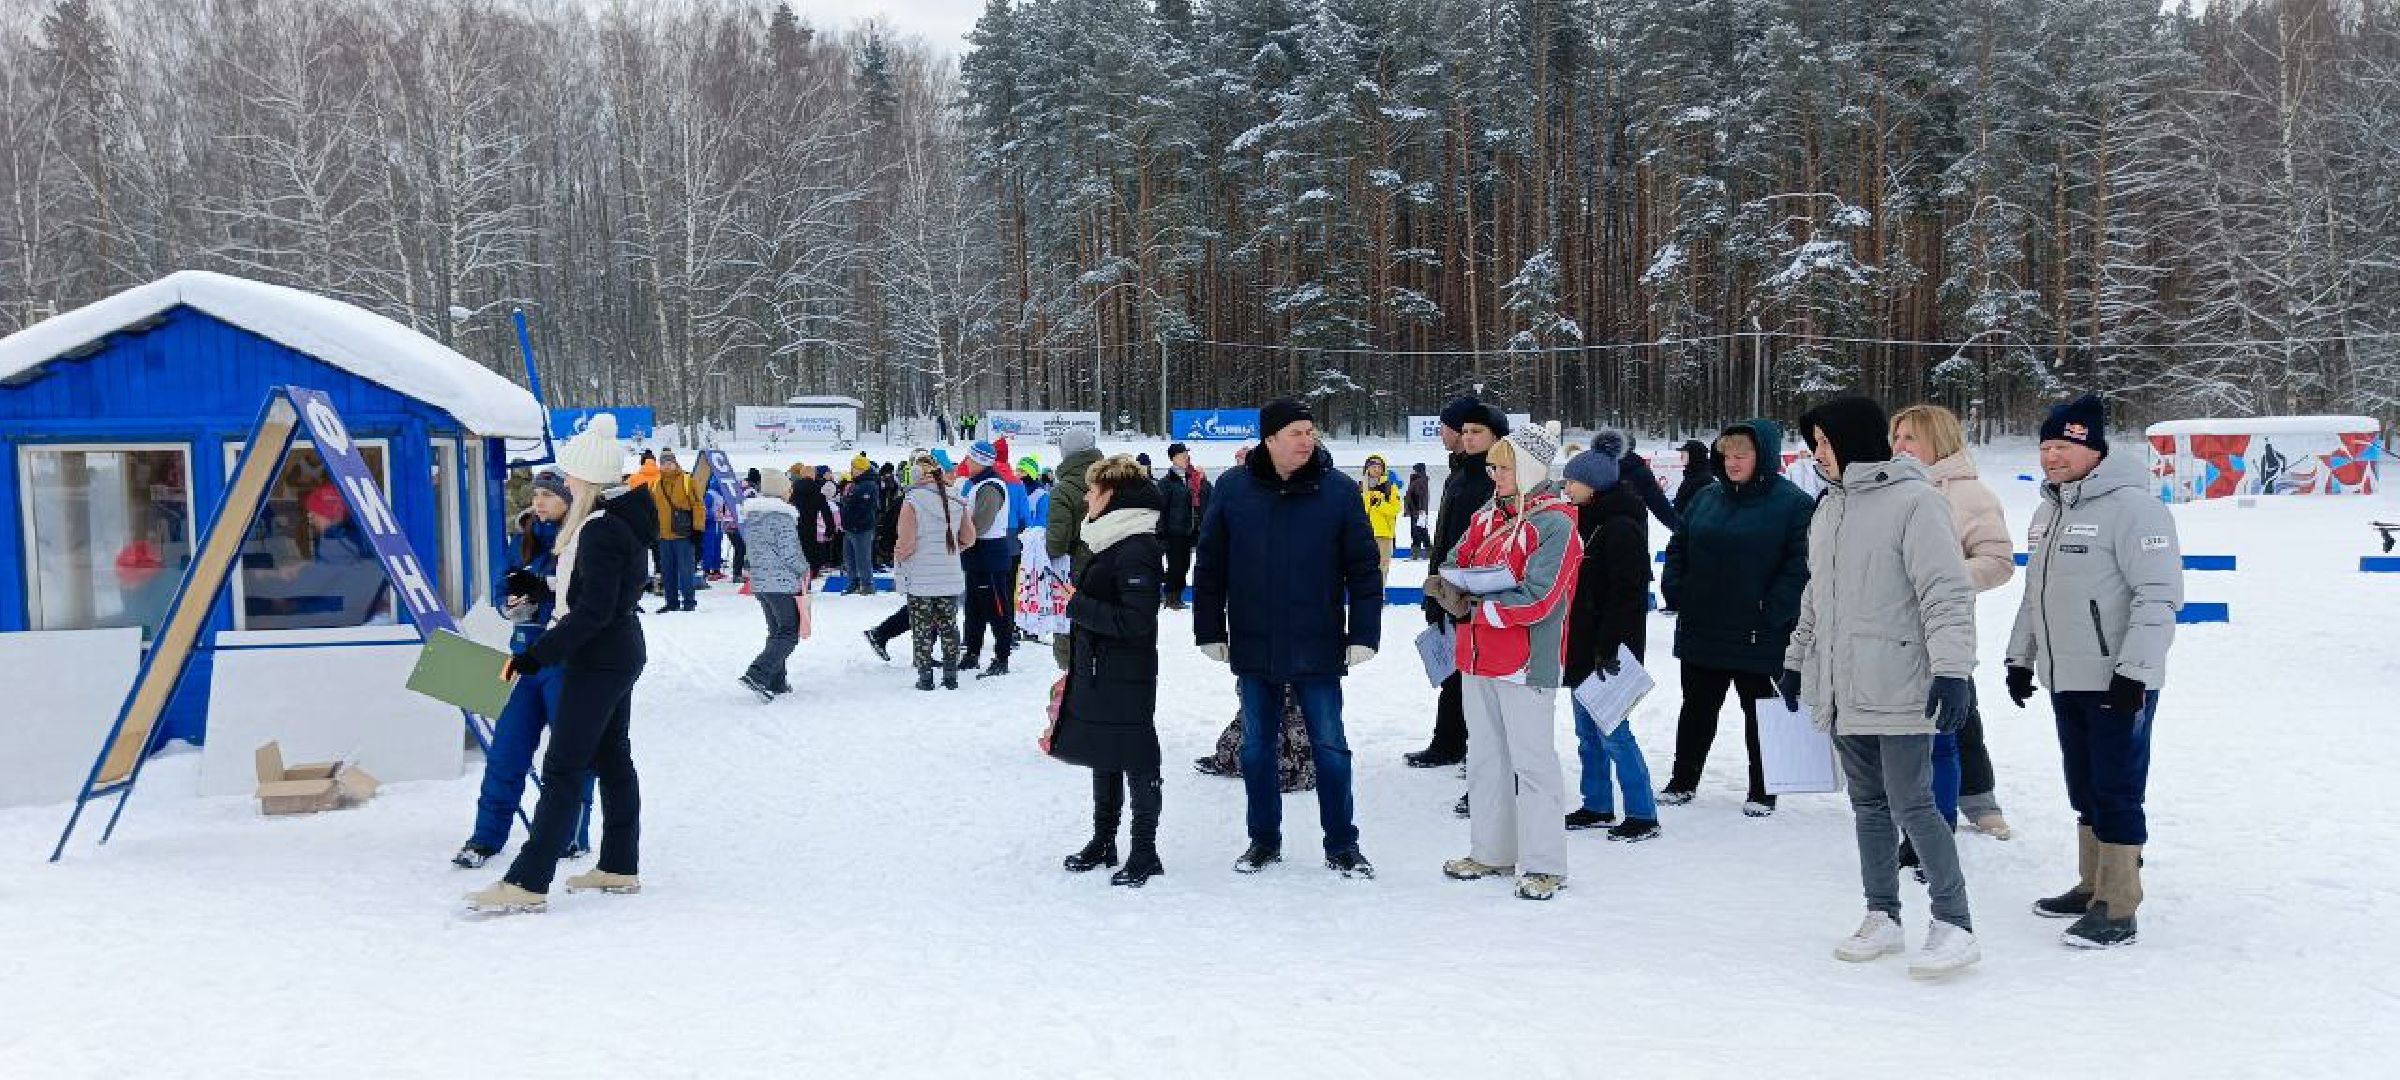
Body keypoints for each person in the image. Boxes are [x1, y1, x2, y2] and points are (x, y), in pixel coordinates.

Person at [1781, 395, 1980, 978]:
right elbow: (1816, 597)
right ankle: (1882, 913)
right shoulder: (1829, 509)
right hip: (1844, 684)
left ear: (1851, 441)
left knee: (1914, 804)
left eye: (1823, 443)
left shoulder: (1915, 503)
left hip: (1899, 679)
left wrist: (1953, 670)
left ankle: (1954, 920)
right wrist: (1796, 658)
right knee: (1867, 805)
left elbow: (1947, 593)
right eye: (1813, 443)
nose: (1817, 454)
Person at [2007, 393, 2182, 950]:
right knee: (2084, 786)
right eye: (2046, 447)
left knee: (2117, 787)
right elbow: (2034, 594)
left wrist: (2135, 671)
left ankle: (2120, 904)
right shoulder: (2049, 510)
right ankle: (2092, 885)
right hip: (2066, 676)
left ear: (2095, 450)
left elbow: (2159, 595)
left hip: (2117, 679)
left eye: (2064, 447)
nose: (2052, 457)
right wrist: (2020, 658)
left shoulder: (2135, 509)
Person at [468, 415, 654, 915]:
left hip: (597, 659)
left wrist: (535, 656)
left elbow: (592, 612)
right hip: (617, 652)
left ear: (588, 480)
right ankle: (618, 864)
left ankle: (528, 881)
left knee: (564, 767)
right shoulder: (616, 522)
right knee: (612, 759)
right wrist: (544, 587)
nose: (564, 484)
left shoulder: (597, 531)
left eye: (570, 477)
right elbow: (600, 594)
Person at [1193, 398, 1383, 878]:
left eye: (1311, 431)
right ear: (1270, 439)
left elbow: (1363, 569)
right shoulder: (1234, 489)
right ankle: (1263, 841)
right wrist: (1210, 628)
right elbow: (1211, 564)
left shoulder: (1338, 491)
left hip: (1317, 642)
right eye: (1297, 432)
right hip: (1255, 641)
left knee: (1331, 745)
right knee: (1257, 746)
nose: (1307, 440)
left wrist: (1363, 633)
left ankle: (1343, 844)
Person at [1423, 422, 1581, 901]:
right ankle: (1491, 850)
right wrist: (1455, 585)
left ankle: (1545, 864)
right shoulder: (1486, 515)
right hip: (1476, 658)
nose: (1496, 475)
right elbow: (1456, 560)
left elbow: (1538, 599)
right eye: (1493, 466)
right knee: (1487, 758)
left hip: (1525, 661)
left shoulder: (1556, 524)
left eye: (1505, 467)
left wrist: (1477, 603)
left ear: (1531, 468)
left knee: (1532, 763)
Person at [1658, 417, 1814, 816]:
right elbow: (1679, 545)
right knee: (1696, 708)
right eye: (1727, 454)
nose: (1732, 462)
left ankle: (1763, 788)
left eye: (1742, 455)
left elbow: (1800, 567)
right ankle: (1683, 779)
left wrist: (1773, 609)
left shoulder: (1793, 504)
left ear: (1762, 456)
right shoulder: (1706, 497)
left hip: (1757, 631)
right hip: (1702, 624)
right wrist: (1675, 589)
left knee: (1760, 710)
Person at [1891, 404, 2017, 871]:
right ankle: (1913, 814)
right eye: (1897, 438)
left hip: (1943, 630)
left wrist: (1939, 577)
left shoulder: (1969, 494)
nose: (1900, 447)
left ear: (1938, 443)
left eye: (1911, 439)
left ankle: (1976, 803)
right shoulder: (1892, 490)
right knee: (1910, 728)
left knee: (1956, 721)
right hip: (1892, 632)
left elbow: (1998, 562)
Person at [453, 469, 593, 870]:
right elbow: (503, 585)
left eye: (548, 496)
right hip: (522, 659)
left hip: (565, 661)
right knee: (505, 753)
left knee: (568, 755)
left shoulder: (582, 538)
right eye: (536, 496)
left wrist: (546, 595)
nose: (539, 503)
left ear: (568, 499)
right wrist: (509, 604)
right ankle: (485, 838)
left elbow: (586, 600)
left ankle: (571, 835)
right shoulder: (523, 538)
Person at [1049, 455, 1170, 887]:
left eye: (1092, 490)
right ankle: (1104, 841)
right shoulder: (1110, 541)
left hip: (1126, 674)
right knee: (1105, 752)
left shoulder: (1136, 548)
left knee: (1136, 759)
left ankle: (1145, 851)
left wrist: (1077, 602)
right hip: (1101, 669)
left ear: (1111, 496)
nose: (1085, 497)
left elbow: (1136, 621)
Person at [1558, 436, 1662, 842]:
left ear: (1594, 484)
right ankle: (1597, 803)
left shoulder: (1620, 527)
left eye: (1571, 482)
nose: (1565, 488)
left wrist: (1609, 646)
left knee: (1614, 733)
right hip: (1584, 643)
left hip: (1608, 650)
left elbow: (1628, 596)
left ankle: (1642, 813)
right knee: (1587, 734)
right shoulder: (1588, 520)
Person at [1406, 397, 1503, 771]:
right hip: (1449, 583)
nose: (1452, 434)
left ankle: (1467, 746)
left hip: (1472, 589)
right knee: (1453, 668)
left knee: (1472, 672)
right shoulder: (1458, 473)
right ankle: (1448, 741)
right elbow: (1445, 539)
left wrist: (1457, 586)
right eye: (1461, 430)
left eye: (1465, 429)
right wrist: (1436, 586)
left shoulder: (1489, 479)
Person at [895, 450, 977, 691]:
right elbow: (969, 537)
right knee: (949, 625)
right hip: (949, 574)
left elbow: (907, 544)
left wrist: (898, 553)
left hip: (920, 577)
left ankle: (925, 677)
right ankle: (950, 676)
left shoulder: (911, 502)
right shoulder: (955, 498)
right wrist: (952, 553)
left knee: (921, 628)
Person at [737, 469, 807, 701]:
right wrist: (804, 569)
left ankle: (776, 681)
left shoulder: (754, 517)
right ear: (780, 491)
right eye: (788, 489)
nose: (790, 493)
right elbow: (790, 553)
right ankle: (758, 674)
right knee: (789, 632)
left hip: (761, 583)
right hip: (781, 583)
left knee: (777, 632)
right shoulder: (781, 518)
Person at [958, 441, 1019, 677]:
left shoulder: (991, 487)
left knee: (996, 609)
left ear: (980, 461)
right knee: (974, 608)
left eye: (969, 459)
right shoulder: (980, 484)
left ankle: (1001, 657)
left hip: (989, 555)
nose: (966, 462)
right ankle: (972, 653)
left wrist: (960, 540)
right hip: (977, 555)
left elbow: (980, 525)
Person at [1046, 429, 1105, 670]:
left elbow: (1057, 543)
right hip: (1113, 564)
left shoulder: (1064, 489)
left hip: (1077, 571)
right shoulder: (1111, 481)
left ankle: (1072, 678)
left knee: (1071, 626)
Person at [1155, 442, 1211, 611]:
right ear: (1173, 459)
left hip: (1189, 530)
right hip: (1174, 532)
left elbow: (1207, 497)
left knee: (1185, 564)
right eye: (1182, 455)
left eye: (1187, 454)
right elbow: (1161, 510)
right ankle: (1171, 596)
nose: (1186, 458)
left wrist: (1204, 481)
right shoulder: (1166, 483)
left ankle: (1176, 596)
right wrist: (1161, 533)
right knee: (1176, 566)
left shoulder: (1192, 478)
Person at [649, 450, 705, 613]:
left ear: (675, 463)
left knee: (686, 570)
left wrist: (698, 530)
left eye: (670, 462)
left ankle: (689, 601)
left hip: (683, 534)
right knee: (667, 571)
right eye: (664, 463)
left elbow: (698, 505)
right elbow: (652, 510)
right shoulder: (655, 484)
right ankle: (671, 601)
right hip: (664, 536)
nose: (667, 466)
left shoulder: (688, 481)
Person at [1615, 435, 1682, 532]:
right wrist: (1684, 533)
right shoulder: (1641, 471)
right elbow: (1661, 508)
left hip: (1600, 534)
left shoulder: (1601, 469)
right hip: (1634, 532)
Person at [838, 459, 882, 595]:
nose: (851, 470)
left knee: (863, 559)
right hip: (850, 528)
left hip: (861, 529)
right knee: (849, 559)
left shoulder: (869, 485)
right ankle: (853, 583)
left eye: (854, 467)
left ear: (861, 469)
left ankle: (867, 586)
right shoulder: (856, 484)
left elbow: (864, 508)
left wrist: (853, 520)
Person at [789, 462, 838, 575]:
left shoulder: (794, 490)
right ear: (813, 475)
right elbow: (826, 511)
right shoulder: (817, 490)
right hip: (811, 524)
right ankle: (812, 572)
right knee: (811, 549)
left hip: (795, 524)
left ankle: (798, 571)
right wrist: (830, 529)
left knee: (798, 548)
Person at [1360, 453, 1403, 578]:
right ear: (1367, 468)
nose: (1376, 469)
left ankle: (1379, 596)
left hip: (1383, 534)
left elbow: (1396, 509)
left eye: (1379, 467)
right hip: (1364, 534)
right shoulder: (1360, 487)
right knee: (1363, 568)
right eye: (1373, 466)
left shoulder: (1390, 487)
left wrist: (1380, 503)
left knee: (1382, 569)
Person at [1671, 439, 1713, 516]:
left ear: (1694, 456)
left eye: (1684, 454)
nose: (1681, 457)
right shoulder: (1691, 476)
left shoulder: (1703, 480)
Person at [1404, 462, 1432, 557]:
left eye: (1414, 469)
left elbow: (1422, 497)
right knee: (1420, 530)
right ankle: (1425, 551)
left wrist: (1421, 510)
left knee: (1418, 531)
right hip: (1416, 511)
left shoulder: (1419, 481)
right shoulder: (1417, 480)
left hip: (1418, 511)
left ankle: (1419, 552)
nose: (1412, 471)